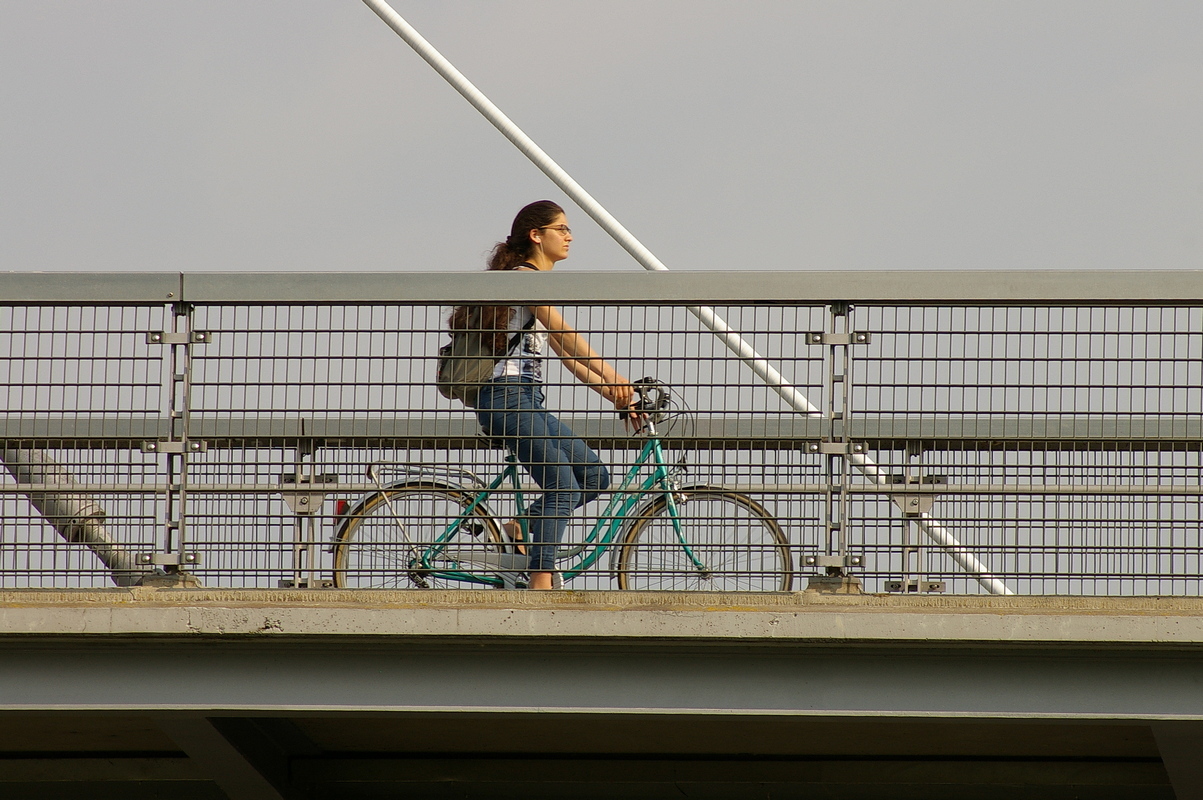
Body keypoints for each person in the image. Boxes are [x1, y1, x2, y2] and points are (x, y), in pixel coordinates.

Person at [449, 200, 636, 590]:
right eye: (561, 229)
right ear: (537, 235)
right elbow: (570, 338)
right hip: (506, 397)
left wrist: (617, 395)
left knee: (594, 477)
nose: (569, 237)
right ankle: (541, 578)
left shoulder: (533, 282)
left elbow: (567, 357)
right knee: (562, 485)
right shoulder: (524, 277)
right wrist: (622, 380)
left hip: (527, 400)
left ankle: (521, 525)